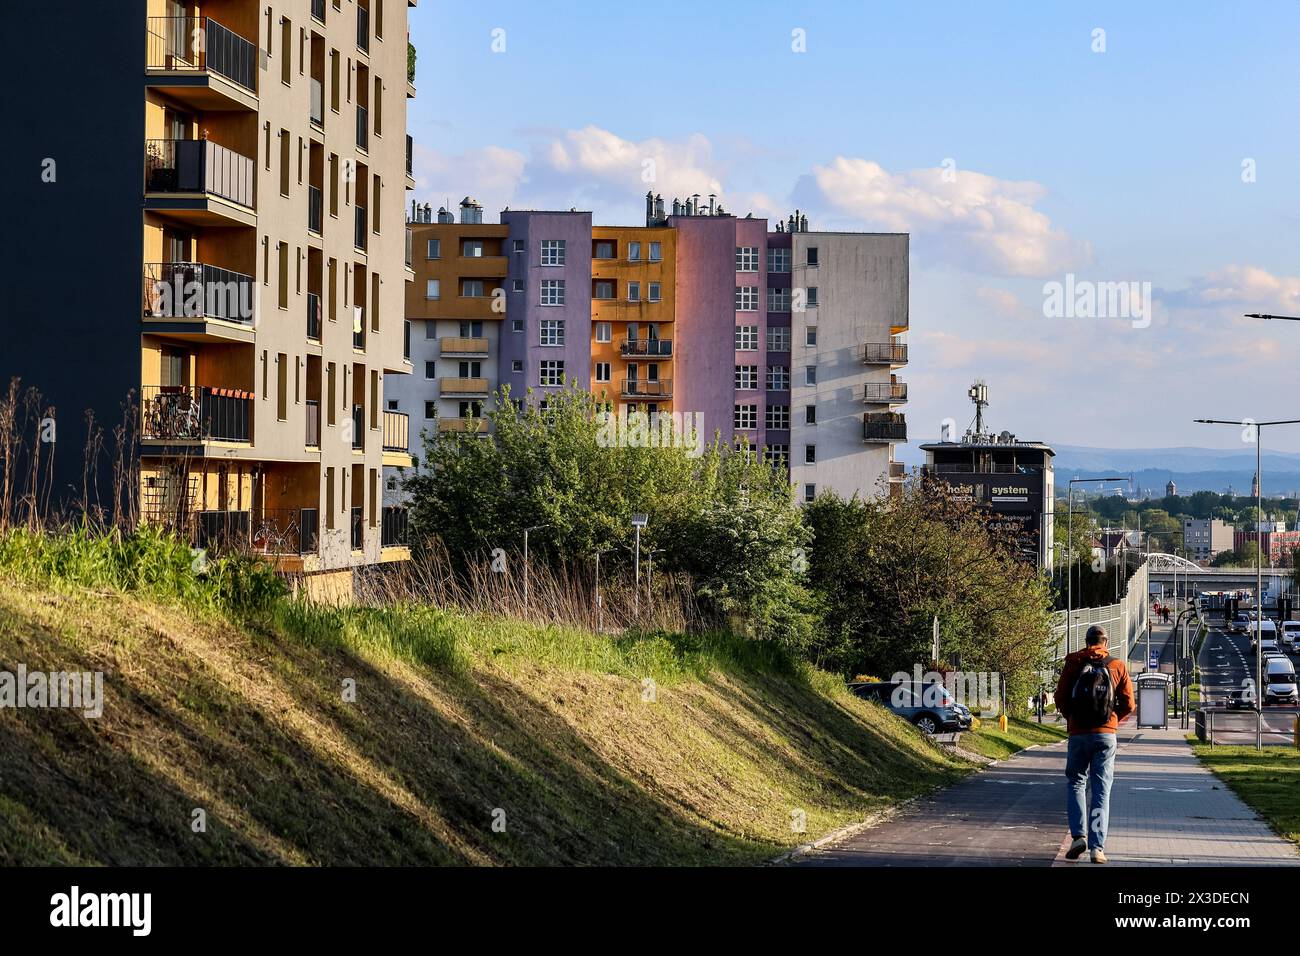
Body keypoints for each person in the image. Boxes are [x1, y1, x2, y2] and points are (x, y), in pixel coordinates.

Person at [1053, 624, 1135, 864]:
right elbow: (1129, 703)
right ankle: (1097, 848)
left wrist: (1072, 717)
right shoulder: (1117, 665)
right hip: (1105, 735)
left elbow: (1060, 696)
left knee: (1076, 783)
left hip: (1078, 733)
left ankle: (1079, 836)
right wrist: (1112, 721)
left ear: (1087, 641)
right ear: (1105, 643)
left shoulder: (1074, 662)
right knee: (1101, 789)